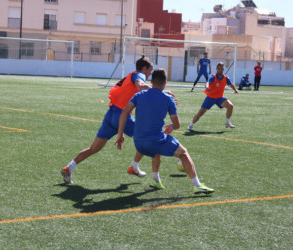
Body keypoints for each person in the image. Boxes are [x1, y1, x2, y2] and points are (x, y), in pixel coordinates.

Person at [61, 55, 161, 184]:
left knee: (94, 148)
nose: (150, 73)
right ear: (144, 68)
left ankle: (69, 168)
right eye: (150, 70)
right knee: (147, 137)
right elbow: (140, 86)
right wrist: (158, 90)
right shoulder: (139, 75)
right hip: (121, 116)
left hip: (111, 114)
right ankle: (134, 166)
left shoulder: (130, 75)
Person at [115, 69, 214, 194]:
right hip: (155, 140)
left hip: (138, 142)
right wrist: (172, 126)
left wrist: (120, 135)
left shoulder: (138, 95)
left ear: (151, 81)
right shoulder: (168, 99)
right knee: (183, 153)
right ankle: (197, 185)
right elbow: (177, 124)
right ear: (165, 83)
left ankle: (155, 180)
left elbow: (124, 113)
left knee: (156, 150)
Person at [188, 62, 239, 130]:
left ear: (223, 69)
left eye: (221, 69)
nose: (220, 70)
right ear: (216, 69)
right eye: (219, 69)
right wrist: (207, 87)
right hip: (210, 98)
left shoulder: (226, 78)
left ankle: (227, 123)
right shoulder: (213, 77)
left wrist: (235, 89)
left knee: (230, 106)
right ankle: (191, 125)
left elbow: (230, 84)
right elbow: (208, 82)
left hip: (220, 98)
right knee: (200, 113)